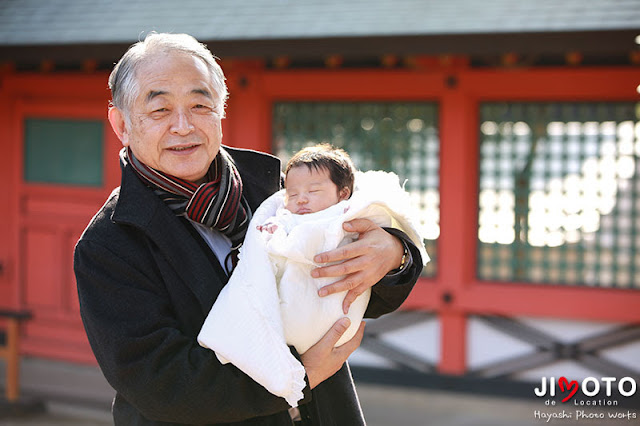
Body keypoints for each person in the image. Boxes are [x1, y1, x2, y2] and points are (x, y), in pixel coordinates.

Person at [74, 32, 424, 426]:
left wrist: (393, 253)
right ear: (121, 124)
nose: (184, 126)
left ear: (221, 110)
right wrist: (299, 376)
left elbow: (353, 293)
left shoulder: (278, 189)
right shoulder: (110, 242)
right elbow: (163, 382)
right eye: (159, 111)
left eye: (200, 105)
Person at [198, 143, 429, 407]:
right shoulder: (280, 214)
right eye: (292, 194)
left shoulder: (347, 214)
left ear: (343, 194)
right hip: (260, 370)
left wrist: (395, 249)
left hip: (330, 334)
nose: (301, 199)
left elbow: (388, 233)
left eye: (313, 191)